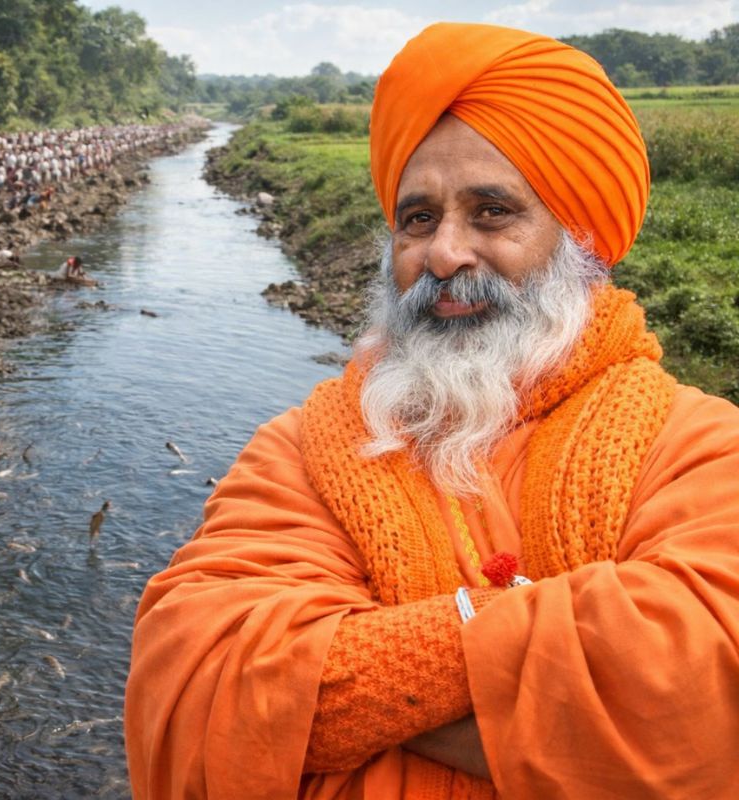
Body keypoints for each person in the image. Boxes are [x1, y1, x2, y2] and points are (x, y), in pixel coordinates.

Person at [125, 22, 739, 799]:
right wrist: (559, 683)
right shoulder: (302, 450)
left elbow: (706, 691)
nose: (445, 254)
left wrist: (332, 691)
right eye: (418, 220)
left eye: (491, 212)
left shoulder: (700, 446)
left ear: (583, 243)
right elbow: (203, 668)